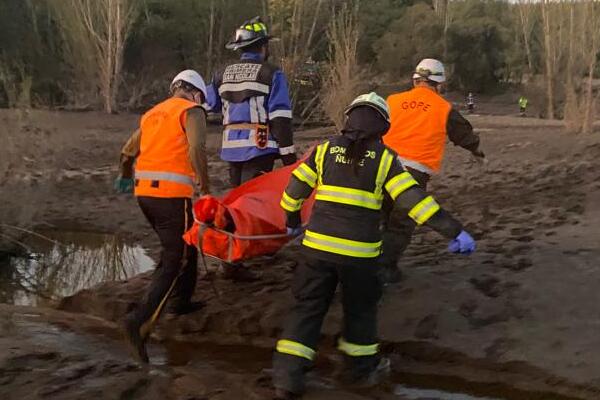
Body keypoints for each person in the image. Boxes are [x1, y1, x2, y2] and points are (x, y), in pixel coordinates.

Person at [272, 93, 477, 399]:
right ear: (383, 127)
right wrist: (454, 231)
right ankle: (358, 371)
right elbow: (413, 201)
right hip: (360, 258)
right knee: (360, 313)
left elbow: (293, 191)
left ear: (348, 119)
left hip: (316, 251)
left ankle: (287, 378)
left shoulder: (324, 150)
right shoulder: (385, 159)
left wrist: (291, 219)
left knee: (306, 310)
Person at [114, 69, 211, 363]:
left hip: (145, 195)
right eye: (201, 98)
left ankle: (181, 301)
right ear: (196, 93)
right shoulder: (191, 111)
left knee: (185, 244)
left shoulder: (153, 114)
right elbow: (197, 147)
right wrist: (205, 189)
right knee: (174, 258)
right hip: (172, 196)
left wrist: (125, 176)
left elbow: (128, 151)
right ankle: (139, 322)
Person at [206, 16, 296, 281]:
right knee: (250, 206)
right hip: (259, 148)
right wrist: (288, 157)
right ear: (263, 47)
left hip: (231, 149)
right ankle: (232, 262)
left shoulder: (221, 74)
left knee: (236, 201)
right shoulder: (271, 73)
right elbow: (280, 116)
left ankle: (246, 250)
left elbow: (209, 106)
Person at [381, 58, 484, 283]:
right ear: (440, 84)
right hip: (413, 172)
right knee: (400, 224)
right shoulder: (443, 108)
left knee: (376, 218)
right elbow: (463, 133)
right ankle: (385, 270)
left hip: (380, 167)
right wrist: (476, 151)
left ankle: (362, 265)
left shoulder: (392, 100)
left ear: (415, 80)